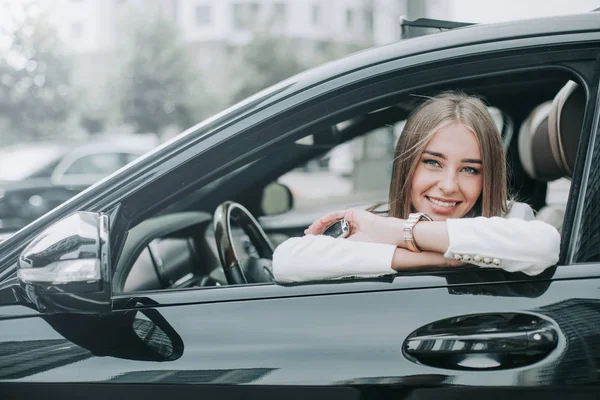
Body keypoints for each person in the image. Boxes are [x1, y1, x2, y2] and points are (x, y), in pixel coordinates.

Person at [272, 92, 561, 283]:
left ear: (488, 177)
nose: (449, 186)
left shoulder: (511, 218)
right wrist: (427, 259)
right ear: (407, 165)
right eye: (433, 163)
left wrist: (398, 232)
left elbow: (543, 246)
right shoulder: (378, 219)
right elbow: (287, 260)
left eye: (470, 169)